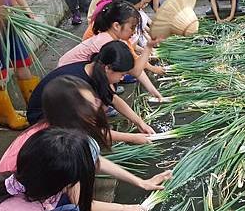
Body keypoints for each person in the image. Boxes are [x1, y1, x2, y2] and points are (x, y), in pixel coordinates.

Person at [0, 76, 172, 211]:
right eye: (91, 102)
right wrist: (125, 209)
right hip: (17, 206)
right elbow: (81, 203)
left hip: (16, 190)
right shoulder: (63, 148)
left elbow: (95, 159)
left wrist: (141, 182)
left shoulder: (60, 129)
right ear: (73, 112)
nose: (99, 103)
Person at [28, 41, 156, 139]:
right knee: (81, 136)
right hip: (42, 120)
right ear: (108, 68)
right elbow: (89, 129)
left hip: (62, 111)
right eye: (121, 74)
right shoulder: (79, 85)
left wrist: (140, 123)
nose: (122, 78)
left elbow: (114, 99)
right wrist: (132, 138)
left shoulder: (95, 69)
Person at [61, 0, 163, 99]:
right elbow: (135, 71)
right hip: (67, 80)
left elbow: (135, 67)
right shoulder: (107, 42)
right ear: (116, 26)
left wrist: (153, 90)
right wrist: (148, 47)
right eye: (132, 27)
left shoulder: (116, 40)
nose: (134, 32)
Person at [0, 0, 40, 130]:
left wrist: (25, 7)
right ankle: (6, 115)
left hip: (8, 15)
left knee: (21, 61)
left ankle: (35, 107)